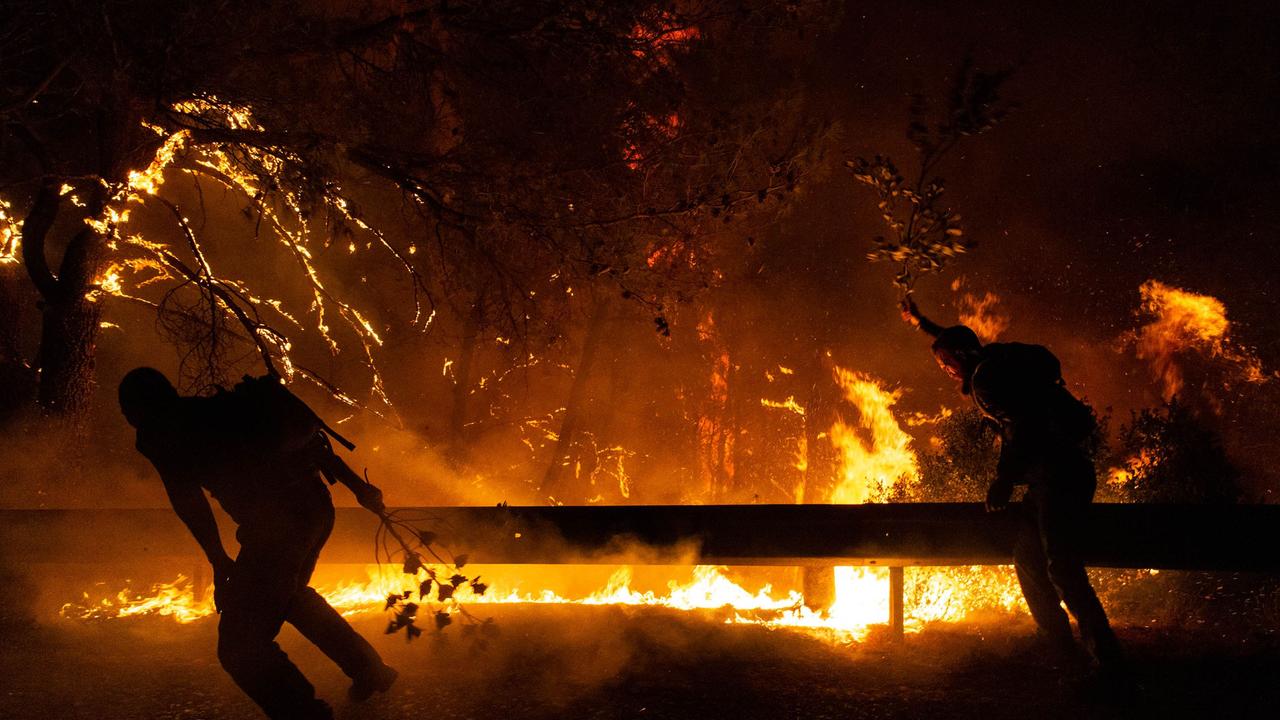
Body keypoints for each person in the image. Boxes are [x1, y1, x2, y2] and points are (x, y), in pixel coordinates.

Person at [119, 367, 397, 720]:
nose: (126, 417)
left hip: (278, 526)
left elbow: (189, 503)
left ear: (143, 407)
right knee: (289, 596)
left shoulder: (159, 433)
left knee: (240, 646)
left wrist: (220, 561)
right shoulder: (220, 410)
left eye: (126, 408)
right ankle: (369, 669)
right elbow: (315, 446)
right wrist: (360, 489)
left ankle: (304, 714)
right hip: (315, 508)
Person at [901, 298, 1124, 674]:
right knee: (1028, 560)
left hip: (1059, 478)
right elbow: (956, 338)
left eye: (947, 363)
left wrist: (1003, 481)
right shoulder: (993, 362)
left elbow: (1020, 426)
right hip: (1051, 480)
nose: (947, 371)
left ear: (961, 356)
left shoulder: (986, 380)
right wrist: (922, 322)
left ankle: (1107, 661)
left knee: (1062, 568)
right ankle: (1060, 650)